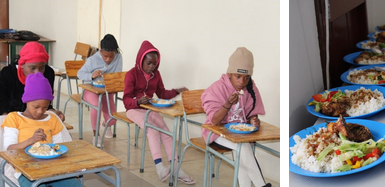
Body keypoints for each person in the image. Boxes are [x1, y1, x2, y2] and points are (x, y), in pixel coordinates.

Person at [123, 40, 195, 185]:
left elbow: (161, 93)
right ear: (141, 60)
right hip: (133, 109)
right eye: (148, 63)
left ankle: (175, 167)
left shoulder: (156, 74)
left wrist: (176, 91)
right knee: (152, 130)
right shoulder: (131, 74)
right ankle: (160, 167)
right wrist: (138, 101)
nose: (151, 67)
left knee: (166, 131)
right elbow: (126, 99)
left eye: (154, 63)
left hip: (150, 108)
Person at [201, 47, 270, 187]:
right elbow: (214, 120)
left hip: (239, 135)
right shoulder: (216, 88)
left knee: (241, 148)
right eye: (237, 76)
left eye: (246, 78)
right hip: (215, 133)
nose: (241, 82)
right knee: (242, 146)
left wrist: (253, 120)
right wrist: (227, 104)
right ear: (229, 74)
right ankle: (261, 185)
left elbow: (252, 111)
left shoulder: (250, 88)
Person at [1, 72, 80, 187]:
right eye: (36, 107)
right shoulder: (14, 118)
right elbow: (8, 149)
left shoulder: (52, 119)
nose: (40, 111)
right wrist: (31, 140)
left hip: (52, 168)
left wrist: (71, 168)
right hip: (25, 170)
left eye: (45, 107)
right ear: (26, 100)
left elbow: (61, 146)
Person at [0, 42, 65, 122]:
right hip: (10, 118)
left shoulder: (48, 73)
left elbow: (45, 101)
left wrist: (53, 112)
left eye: (42, 68)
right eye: (32, 68)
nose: (38, 73)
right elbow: (2, 104)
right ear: (22, 64)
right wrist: (10, 121)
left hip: (36, 117)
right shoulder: (8, 74)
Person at [77, 34, 123, 146]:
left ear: (115, 52)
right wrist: (92, 75)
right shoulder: (92, 60)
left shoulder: (118, 57)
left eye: (111, 56)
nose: (108, 59)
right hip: (90, 90)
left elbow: (116, 75)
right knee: (96, 106)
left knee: (112, 119)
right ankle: (96, 134)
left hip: (107, 91)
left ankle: (105, 125)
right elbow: (80, 74)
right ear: (101, 51)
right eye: (105, 56)